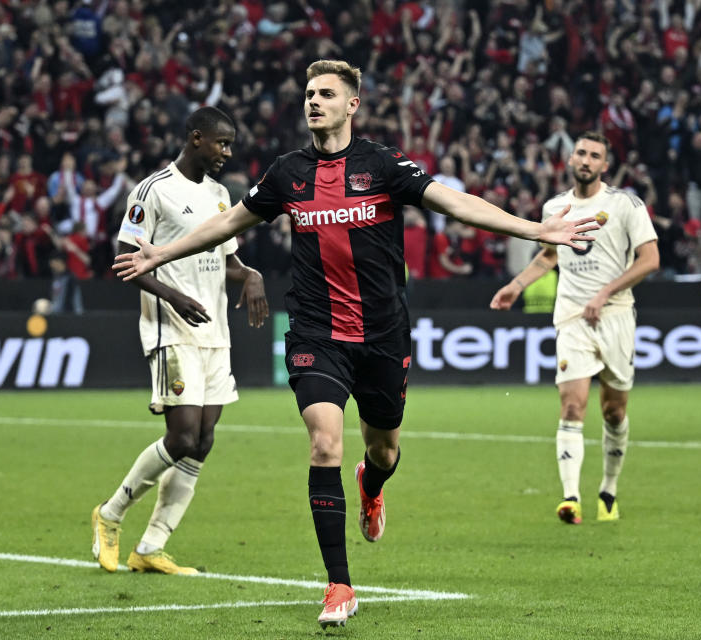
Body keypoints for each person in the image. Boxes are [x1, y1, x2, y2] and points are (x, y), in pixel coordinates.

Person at [113, 60, 596, 629]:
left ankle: (374, 485)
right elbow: (228, 226)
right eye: (309, 93)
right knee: (323, 445)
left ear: (352, 105)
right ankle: (339, 584)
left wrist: (535, 229)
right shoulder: (287, 173)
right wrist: (159, 254)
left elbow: (455, 201)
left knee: (383, 450)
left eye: (326, 94)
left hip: (383, 335)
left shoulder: (382, 164)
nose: (313, 102)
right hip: (318, 335)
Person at [92, 106, 269, 576]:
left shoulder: (218, 194)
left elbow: (226, 259)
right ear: (196, 138)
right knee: (183, 435)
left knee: (204, 441)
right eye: (221, 143)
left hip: (214, 332)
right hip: (171, 328)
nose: (227, 153)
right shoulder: (153, 191)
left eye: (230, 144)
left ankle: (151, 547)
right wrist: (172, 296)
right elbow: (124, 259)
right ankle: (109, 516)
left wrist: (249, 274)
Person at [490, 131, 659, 526]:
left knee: (614, 411)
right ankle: (570, 497)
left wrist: (605, 293)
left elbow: (650, 259)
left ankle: (609, 490)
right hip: (572, 318)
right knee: (571, 406)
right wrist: (516, 286)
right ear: (571, 159)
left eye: (594, 155)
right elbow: (548, 256)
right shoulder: (555, 206)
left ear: (605, 164)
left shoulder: (625, 204)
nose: (585, 159)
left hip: (615, 315)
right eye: (580, 152)